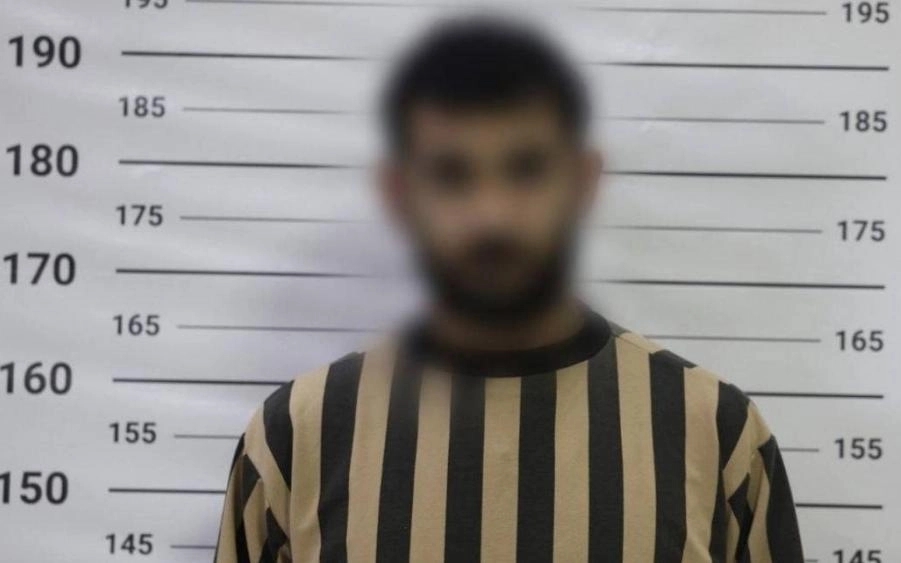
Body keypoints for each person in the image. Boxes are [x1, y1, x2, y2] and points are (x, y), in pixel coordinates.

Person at [215, 16, 803, 563]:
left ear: (582, 181)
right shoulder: (297, 435)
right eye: (452, 174)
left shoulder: (715, 431)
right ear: (400, 191)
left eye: (526, 168)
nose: (492, 215)